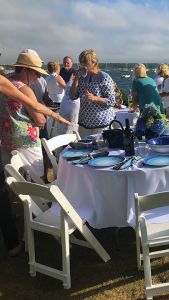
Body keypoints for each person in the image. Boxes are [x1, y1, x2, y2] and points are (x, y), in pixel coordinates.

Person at [0, 52, 70, 257]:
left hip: (6, 141)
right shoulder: (24, 90)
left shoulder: (5, 84)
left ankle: (21, 219)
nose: (39, 78)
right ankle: (44, 219)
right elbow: (39, 120)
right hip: (27, 144)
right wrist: (50, 115)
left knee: (13, 184)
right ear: (28, 71)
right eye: (37, 74)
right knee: (39, 185)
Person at [69, 49, 116, 138]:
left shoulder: (104, 77)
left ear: (94, 62)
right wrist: (76, 79)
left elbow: (112, 101)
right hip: (84, 122)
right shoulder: (82, 77)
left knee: (102, 149)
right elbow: (72, 96)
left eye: (85, 62)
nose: (82, 65)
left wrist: (95, 98)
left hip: (101, 123)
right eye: (81, 62)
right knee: (85, 149)